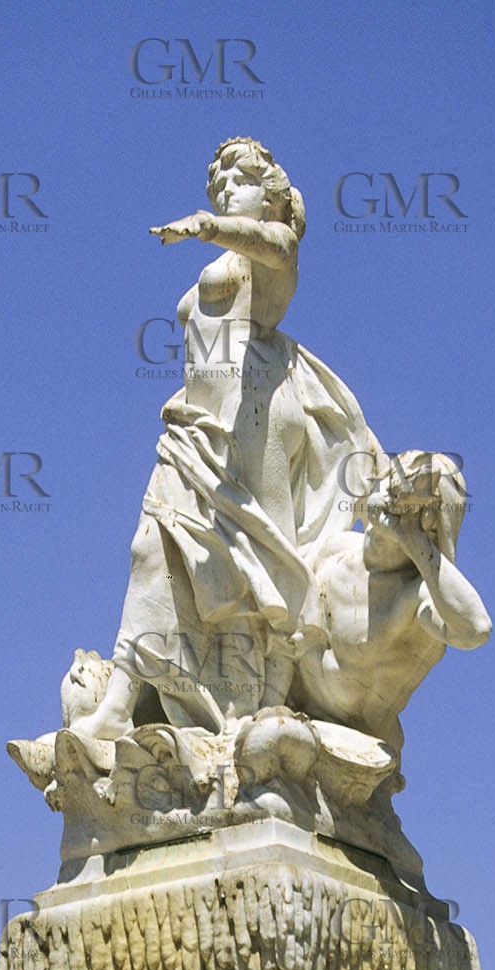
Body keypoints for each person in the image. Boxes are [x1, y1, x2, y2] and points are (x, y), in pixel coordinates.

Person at [71, 137, 385, 740]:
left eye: (235, 186)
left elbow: (277, 243)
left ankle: (263, 703)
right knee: (151, 549)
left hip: (259, 409)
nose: (222, 195)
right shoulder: (225, 257)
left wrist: (211, 225)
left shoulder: (266, 249)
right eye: (216, 190)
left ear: (267, 195)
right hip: (199, 425)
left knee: (258, 559)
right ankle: (119, 700)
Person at [290, 452, 492, 753]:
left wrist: (413, 541)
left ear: (429, 525)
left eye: (402, 500)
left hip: (351, 750)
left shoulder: (418, 597)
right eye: (388, 486)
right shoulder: (336, 548)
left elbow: (476, 629)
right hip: (284, 701)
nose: (387, 501)